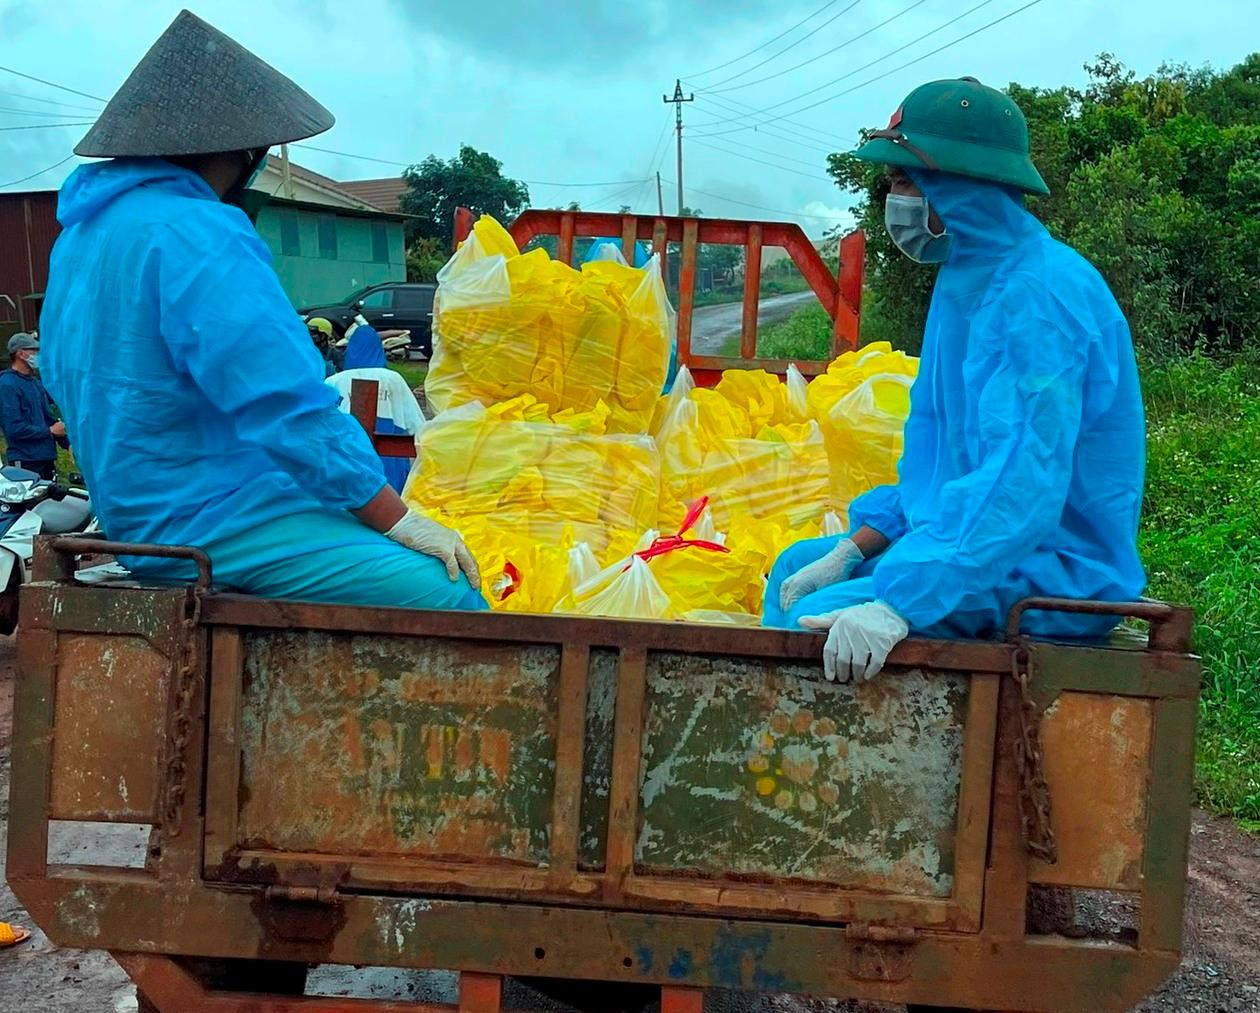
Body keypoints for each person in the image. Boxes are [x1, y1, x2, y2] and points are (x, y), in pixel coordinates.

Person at [39, 11, 484, 611]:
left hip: (135, 516)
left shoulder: (81, 237)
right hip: (220, 518)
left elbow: (69, 376)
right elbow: (285, 405)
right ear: (241, 150)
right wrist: (397, 518)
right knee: (454, 598)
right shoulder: (198, 232)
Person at [764, 77, 1145, 684]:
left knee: (816, 619)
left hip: (1044, 563)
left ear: (960, 185)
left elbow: (1020, 481)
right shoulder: (967, 278)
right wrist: (855, 547)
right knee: (795, 566)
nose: (894, 201)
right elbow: (942, 465)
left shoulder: (1037, 296)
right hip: (982, 544)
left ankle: (827, 769)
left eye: (904, 182)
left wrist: (900, 602)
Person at [0, 332, 67, 479]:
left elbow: (48, 418)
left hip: (46, 460)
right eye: (34, 351)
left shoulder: (35, 383)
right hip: (25, 462)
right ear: (21, 354)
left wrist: (68, 443)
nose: (38, 355)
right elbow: (14, 429)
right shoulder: (7, 384)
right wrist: (50, 431)